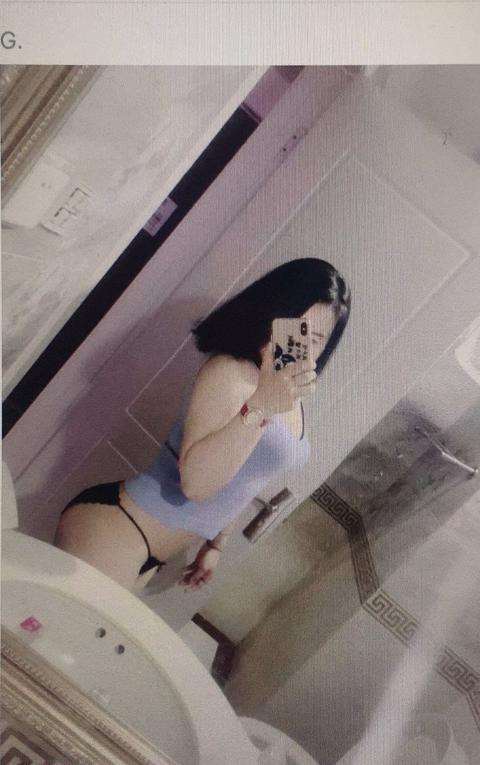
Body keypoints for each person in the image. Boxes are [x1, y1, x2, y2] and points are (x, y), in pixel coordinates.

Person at [54, 258, 351, 594]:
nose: (298, 344)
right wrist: (263, 405)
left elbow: (247, 476)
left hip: (149, 549)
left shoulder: (287, 396)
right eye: (294, 327)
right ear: (271, 312)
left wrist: (216, 543)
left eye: (315, 339)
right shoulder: (230, 371)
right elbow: (195, 485)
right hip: (119, 529)